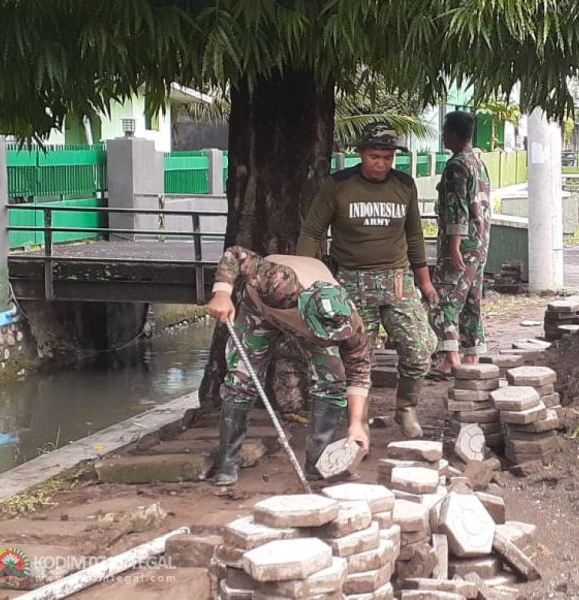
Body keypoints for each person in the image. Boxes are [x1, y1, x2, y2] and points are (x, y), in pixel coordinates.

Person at [298, 122, 437, 439]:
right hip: (352, 280)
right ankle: (358, 421)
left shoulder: (404, 185)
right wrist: (310, 281)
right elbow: (311, 233)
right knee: (358, 356)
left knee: (420, 348)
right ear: (360, 154)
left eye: (388, 158)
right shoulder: (339, 186)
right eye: (376, 156)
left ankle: (406, 409)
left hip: (397, 279)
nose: (382, 164)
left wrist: (425, 281)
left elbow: (414, 235)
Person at [206, 247, 371, 485]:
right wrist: (222, 292)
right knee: (242, 380)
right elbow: (236, 255)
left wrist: (356, 424)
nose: (331, 341)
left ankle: (318, 464)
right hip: (261, 308)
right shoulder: (279, 282)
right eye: (326, 335)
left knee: (333, 380)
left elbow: (359, 372)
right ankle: (227, 462)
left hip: (310, 315)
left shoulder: (350, 325)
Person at [428, 111, 492, 378]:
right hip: (480, 242)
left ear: (454, 134)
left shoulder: (456, 165)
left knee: (442, 299)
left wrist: (454, 246)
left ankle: (450, 358)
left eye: (445, 132)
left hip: (461, 244)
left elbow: (458, 210)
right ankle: (471, 354)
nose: (443, 136)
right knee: (471, 301)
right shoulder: (478, 161)